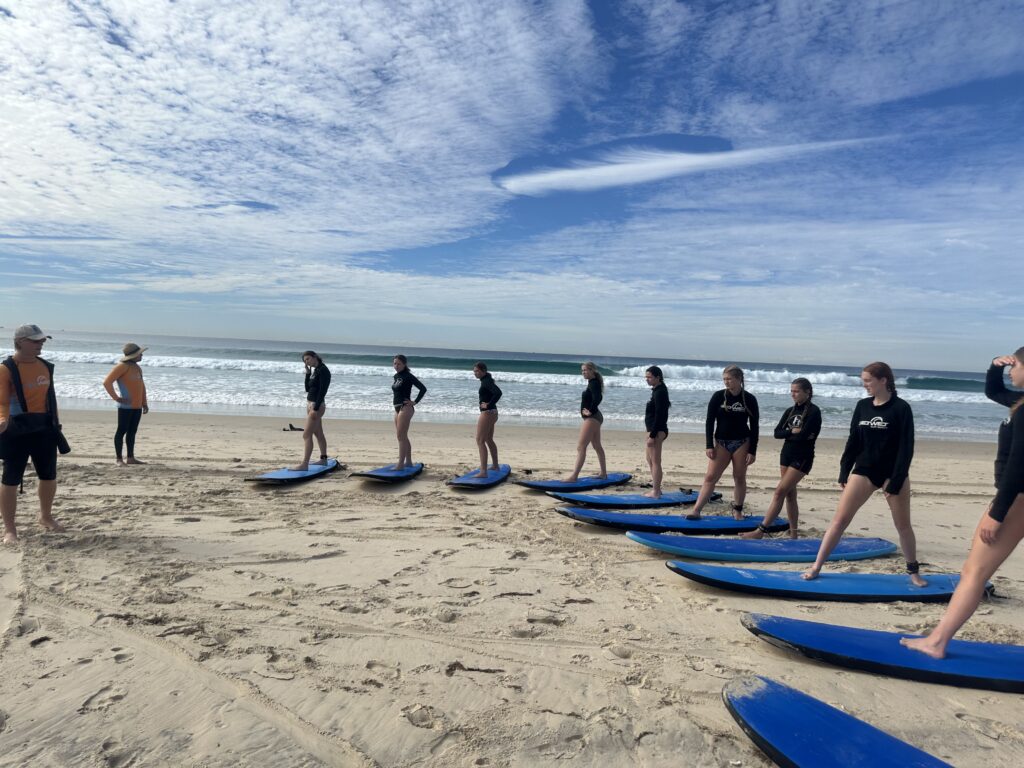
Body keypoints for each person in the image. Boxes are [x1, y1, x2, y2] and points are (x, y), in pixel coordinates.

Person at [902, 349, 1024, 658]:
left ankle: (937, 642)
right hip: (1017, 500)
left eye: (1016, 365)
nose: (1011, 371)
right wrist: (994, 366)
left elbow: (1019, 467)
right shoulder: (1020, 402)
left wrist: (997, 513)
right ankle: (937, 640)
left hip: (1015, 501)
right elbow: (993, 390)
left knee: (974, 572)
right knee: (974, 570)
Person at [803, 362, 925, 586]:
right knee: (839, 521)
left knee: (903, 525)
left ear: (883, 380)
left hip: (892, 472)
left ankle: (913, 572)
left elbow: (907, 447)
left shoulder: (901, 408)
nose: (864, 385)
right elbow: (853, 441)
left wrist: (896, 480)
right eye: (863, 381)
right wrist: (844, 470)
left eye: (868, 381)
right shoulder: (862, 406)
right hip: (864, 470)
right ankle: (816, 567)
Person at [1, 324, 65, 544]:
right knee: (11, 479)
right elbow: (1, 401)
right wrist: (2, 419)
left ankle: (45, 517)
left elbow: (50, 397)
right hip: (16, 430)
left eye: (42, 341)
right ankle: (10, 529)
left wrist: (56, 421)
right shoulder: (6, 368)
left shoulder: (45, 366)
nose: (41, 344)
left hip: (45, 428)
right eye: (36, 341)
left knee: (48, 476)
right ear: (20, 342)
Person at [742, 377, 821, 539]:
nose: (793, 394)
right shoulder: (789, 411)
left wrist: (793, 433)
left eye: (797, 391)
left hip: (802, 457)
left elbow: (806, 435)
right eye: (791, 391)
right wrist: (792, 432)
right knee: (790, 495)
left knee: (779, 492)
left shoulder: (814, 411)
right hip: (786, 454)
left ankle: (760, 531)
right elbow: (777, 433)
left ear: (808, 392)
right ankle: (794, 534)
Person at [686, 365, 759, 521]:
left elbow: (755, 426)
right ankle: (696, 510)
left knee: (739, 477)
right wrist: (708, 445)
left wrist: (753, 451)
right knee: (710, 477)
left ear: (739, 379)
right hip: (721, 443)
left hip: (742, 442)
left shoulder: (749, 399)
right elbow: (709, 421)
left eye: (729, 379)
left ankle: (738, 511)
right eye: (724, 379)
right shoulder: (718, 396)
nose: (726, 382)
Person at [103, 342, 150, 465]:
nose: (142, 356)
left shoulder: (137, 367)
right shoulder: (122, 366)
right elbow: (107, 382)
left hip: (137, 406)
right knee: (121, 431)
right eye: (140, 354)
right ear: (133, 355)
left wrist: (144, 402)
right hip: (125, 407)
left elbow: (142, 386)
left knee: (132, 432)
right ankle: (119, 459)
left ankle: (130, 458)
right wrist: (116, 398)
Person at [564, 361, 608, 482]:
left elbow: (598, 397)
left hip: (592, 418)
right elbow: (596, 397)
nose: (583, 372)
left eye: (585, 370)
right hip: (595, 417)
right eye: (582, 370)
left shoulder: (593, 383)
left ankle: (574, 476)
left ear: (592, 371)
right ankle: (603, 473)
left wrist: (590, 410)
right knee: (597, 446)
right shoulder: (593, 382)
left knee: (581, 447)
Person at [291, 351, 330, 471]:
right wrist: (307, 374)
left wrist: (315, 409)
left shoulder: (323, 370)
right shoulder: (315, 370)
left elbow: (323, 391)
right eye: (305, 361)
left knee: (306, 434)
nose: (306, 362)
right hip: (310, 404)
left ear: (315, 357)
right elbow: (308, 389)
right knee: (318, 434)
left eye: (308, 359)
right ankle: (323, 459)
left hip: (316, 406)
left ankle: (304, 464)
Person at [392, 354, 426, 470]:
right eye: (394, 363)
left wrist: (415, 402)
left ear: (404, 364)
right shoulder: (396, 376)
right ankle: (409, 462)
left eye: (398, 363)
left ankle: (400, 464)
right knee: (402, 436)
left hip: (405, 407)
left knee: (401, 436)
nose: (396, 366)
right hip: (397, 408)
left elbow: (423, 388)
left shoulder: (408, 376)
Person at [643, 366, 670, 498]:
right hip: (654, 430)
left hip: (657, 431)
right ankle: (656, 487)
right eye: (646, 377)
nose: (647, 379)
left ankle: (656, 491)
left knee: (655, 461)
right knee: (649, 459)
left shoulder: (660, 392)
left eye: (649, 377)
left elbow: (660, 415)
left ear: (657, 377)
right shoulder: (657, 390)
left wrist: (652, 435)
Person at [473, 362, 501, 476]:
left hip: (488, 413)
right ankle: (495, 466)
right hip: (493, 413)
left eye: (477, 371)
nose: (475, 373)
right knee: (488, 439)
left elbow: (498, 393)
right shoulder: (487, 380)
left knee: (480, 441)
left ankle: (483, 471)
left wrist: (488, 405)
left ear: (484, 370)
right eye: (474, 371)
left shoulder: (486, 381)